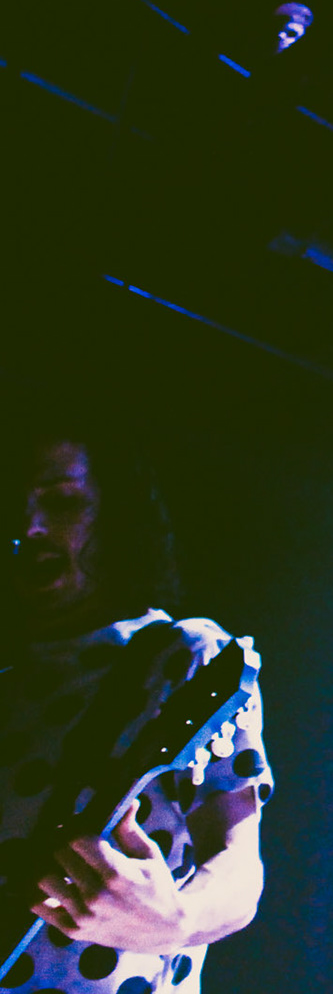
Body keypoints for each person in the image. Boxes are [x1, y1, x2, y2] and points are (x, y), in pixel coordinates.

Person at [2, 414, 272, 994]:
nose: (30, 528)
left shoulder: (184, 655)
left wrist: (175, 920)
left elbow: (239, 870)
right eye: (13, 508)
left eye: (64, 502)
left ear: (116, 517)